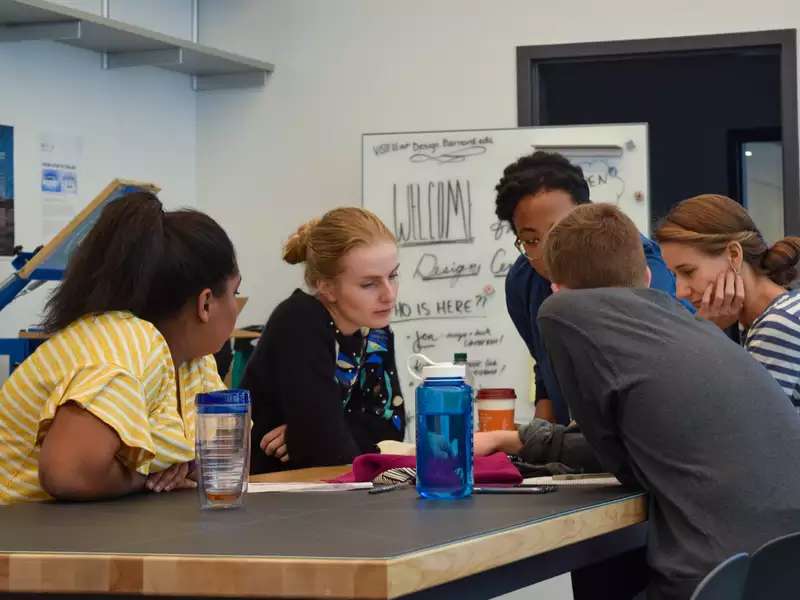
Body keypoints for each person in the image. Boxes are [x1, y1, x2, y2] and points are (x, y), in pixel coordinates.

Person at [537, 203, 800, 600]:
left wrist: (533, 444)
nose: (678, 290)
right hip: (776, 567)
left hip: (719, 577)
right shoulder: (717, 336)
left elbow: (622, 462)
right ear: (646, 276)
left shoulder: (562, 313)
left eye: (687, 272)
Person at [0, 192, 239, 504]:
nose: (238, 305)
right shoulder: (126, 345)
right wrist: (146, 480)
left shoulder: (194, 362)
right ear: (205, 303)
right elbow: (68, 473)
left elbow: (221, 459)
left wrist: (184, 467)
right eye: (236, 291)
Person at [496, 150, 687, 425]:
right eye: (531, 240)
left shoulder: (637, 261)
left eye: (559, 230)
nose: (550, 250)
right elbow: (547, 370)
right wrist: (535, 446)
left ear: (588, 215)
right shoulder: (522, 281)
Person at [243, 207, 405, 474]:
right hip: (273, 493)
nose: (389, 295)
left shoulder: (375, 330)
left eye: (393, 276)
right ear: (326, 286)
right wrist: (318, 434)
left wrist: (312, 433)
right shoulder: (299, 321)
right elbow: (329, 451)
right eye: (369, 284)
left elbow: (390, 432)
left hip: (330, 489)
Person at [655, 194, 800, 411]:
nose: (680, 292)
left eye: (688, 272)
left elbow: (745, 430)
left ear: (734, 255)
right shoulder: (772, 316)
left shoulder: (777, 325)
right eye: (674, 276)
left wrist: (703, 335)